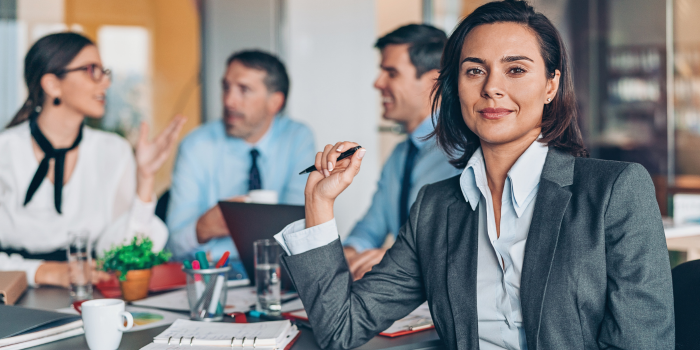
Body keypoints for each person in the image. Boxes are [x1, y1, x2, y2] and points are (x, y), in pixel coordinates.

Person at [274, 1, 674, 349]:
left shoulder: (615, 191)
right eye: (474, 71)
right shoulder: (436, 206)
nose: (492, 89)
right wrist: (319, 202)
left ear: (551, 85)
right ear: (455, 87)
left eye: (516, 70)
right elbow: (338, 329)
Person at [0, 32, 185, 288]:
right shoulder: (5, 151)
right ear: (52, 84)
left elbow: (125, 254)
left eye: (103, 71)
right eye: (91, 70)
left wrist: (145, 179)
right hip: (13, 297)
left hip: (91, 295)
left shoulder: (113, 150)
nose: (106, 82)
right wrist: (43, 271)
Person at [166, 50, 315, 271]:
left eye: (243, 90)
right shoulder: (196, 146)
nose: (229, 101)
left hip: (279, 272)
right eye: (226, 87)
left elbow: (302, 229)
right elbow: (172, 246)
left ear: (275, 102)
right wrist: (202, 228)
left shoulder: (297, 139)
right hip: (215, 273)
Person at [343, 24, 461, 280]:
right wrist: (350, 254)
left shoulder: (463, 150)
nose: (378, 83)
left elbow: (460, 244)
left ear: (433, 81)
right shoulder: (400, 155)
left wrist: (395, 259)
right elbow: (370, 228)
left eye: (391, 73)